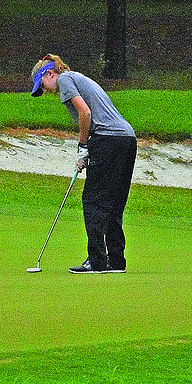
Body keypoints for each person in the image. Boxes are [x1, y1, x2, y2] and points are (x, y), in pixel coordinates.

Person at [30, 54, 137, 274]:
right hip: (126, 139)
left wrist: (83, 146)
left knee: (93, 201)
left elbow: (85, 112)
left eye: (43, 84)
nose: (47, 90)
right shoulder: (78, 77)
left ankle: (97, 261)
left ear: (50, 73)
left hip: (107, 139)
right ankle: (116, 261)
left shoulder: (64, 80)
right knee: (114, 202)